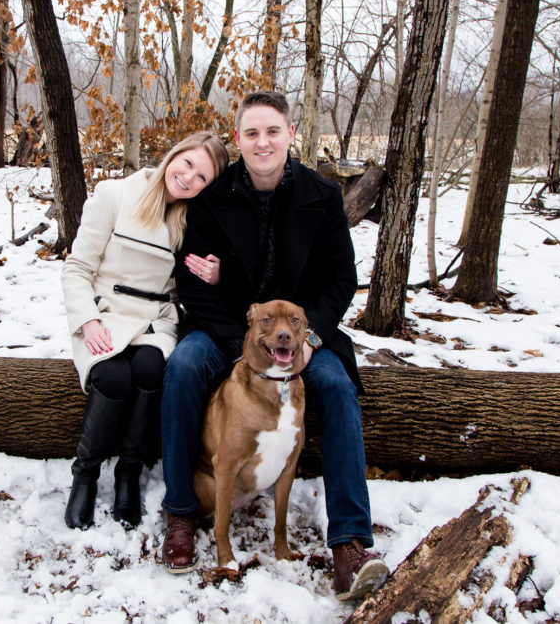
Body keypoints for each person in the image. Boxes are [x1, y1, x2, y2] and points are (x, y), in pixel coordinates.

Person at [159, 91, 389, 601]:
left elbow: (340, 281)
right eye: (251, 133)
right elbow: (195, 286)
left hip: (302, 337)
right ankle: (179, 512)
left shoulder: (322, 196)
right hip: (231, 334)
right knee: (183, 366)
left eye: (272, 131)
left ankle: (350, 543)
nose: (262, 142)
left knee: (335, 386)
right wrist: (240, 350)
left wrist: (310, 340)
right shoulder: (211, 198)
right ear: (238, 139)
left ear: (289, 134)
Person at [61, 131, 228, 530]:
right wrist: (88, 320)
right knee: (114, 377)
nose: (189, 178)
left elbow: (194, 281)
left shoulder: (191, 221)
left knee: (152, 370)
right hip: (106, 313)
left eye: (202, 177)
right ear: (175, 154)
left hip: (155, 319)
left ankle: (129, 474)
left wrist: (219, 275)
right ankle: (84, 473)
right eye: (188, 163)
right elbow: (77, 268)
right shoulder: (114, 195)